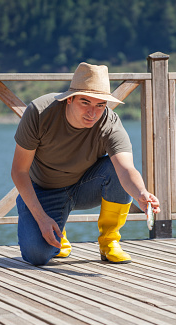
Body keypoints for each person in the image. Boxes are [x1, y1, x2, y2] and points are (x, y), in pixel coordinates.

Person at [11, 62, 160, 266]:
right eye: (85, 102)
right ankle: (56, 225)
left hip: (85, 186)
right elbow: (19, 171)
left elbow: (126, 169)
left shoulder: (110, 123)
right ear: (69, 99)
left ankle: (109, 241)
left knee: (114, 169)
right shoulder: (39, 112)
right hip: (44, 190)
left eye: (100, 105)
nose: (93, 113)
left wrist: (142, 193)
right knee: (37, 255)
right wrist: (42, 218)